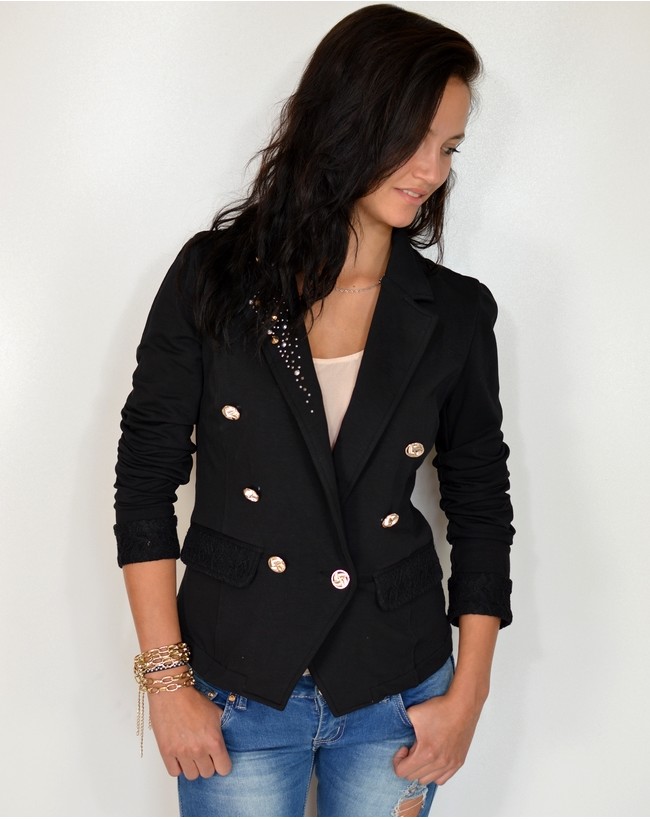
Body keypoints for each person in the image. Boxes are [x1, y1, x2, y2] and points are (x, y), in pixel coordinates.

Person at [114, 4, 515, 816]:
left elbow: (480, 502)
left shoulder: (454, 311)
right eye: (414, 139)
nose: (431, 170)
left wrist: (468, 695)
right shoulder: (214, 279)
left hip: (396, 689)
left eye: (449, 147)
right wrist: (166, 682)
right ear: (348, 121)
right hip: (235, 684)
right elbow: (146, 477)